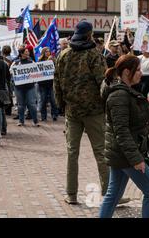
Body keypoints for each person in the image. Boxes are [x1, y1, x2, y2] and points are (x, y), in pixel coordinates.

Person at [54, 21, 109, 205]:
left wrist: (62, 105)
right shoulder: (94, 55)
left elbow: (57, 84)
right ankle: (110, 195)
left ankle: (71, 194)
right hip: (94, 111)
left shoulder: (63, 55)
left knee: (72, 153)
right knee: (101, 152)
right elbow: (103, 83)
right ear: (89, 34)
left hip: (72, 111)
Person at [99, 54, 149, 218]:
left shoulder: (126, 91)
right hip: (126, 154)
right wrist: (136, 159)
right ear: (126, 72)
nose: (141, 73)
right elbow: (121, 131)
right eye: (138, 70)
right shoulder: (119, 95)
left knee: (113, 195)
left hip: (121, 153)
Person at [13, 48, 39, 127]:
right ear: (22, 53)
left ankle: (35, 121)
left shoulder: (32, 62)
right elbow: (11, 71)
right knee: (21, 105)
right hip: (19, 87)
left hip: (30, 87)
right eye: (26, 51)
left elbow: (37, 71)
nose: (28, 52)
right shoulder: (16, 63)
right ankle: (21, 121)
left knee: (32, 104)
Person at [37, 47, 58, 121]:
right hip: (43, 84)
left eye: (49, 51)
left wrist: (53, 61)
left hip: (52, 83)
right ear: (43, 53)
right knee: (43, 101)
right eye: (46, 52)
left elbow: (57, 69)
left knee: (53, 100)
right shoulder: (39, 61)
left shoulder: (53, 60)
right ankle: (43, 116)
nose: (47, 53)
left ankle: (54, 115)